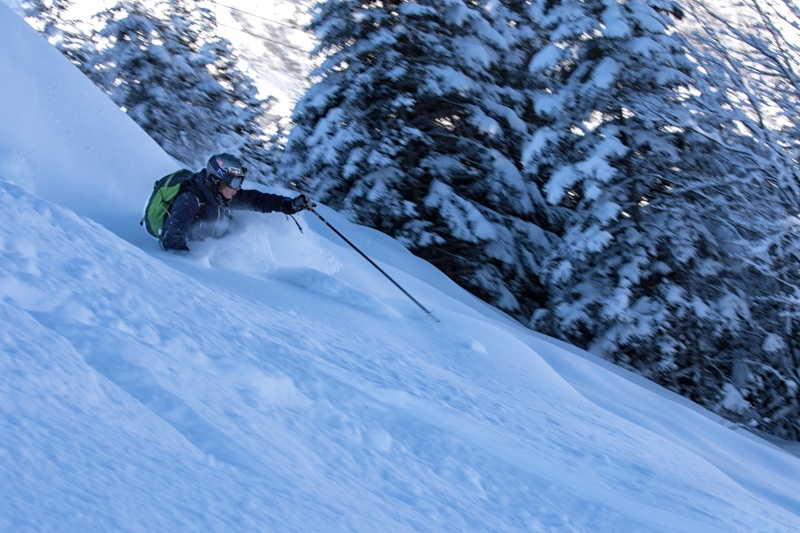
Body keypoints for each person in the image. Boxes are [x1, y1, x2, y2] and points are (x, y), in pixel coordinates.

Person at [160, 153, 312, 252]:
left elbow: (257, 200)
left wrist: (287, 204)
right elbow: (171, 241)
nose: (238, 188)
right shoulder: (189, 201)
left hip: (221, 244)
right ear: (216, 179)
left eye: (240, 182)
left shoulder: (223, 195)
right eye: (234, 181)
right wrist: (198, 269)